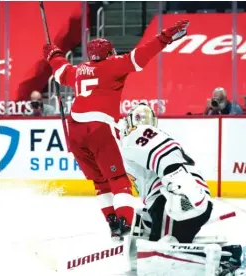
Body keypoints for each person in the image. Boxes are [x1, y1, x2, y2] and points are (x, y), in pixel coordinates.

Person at [42, 20, 190, 238]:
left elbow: (60, 69)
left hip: (74, 130)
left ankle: (113, 224)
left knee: (100, 182)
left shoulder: (77, 71)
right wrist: (165, 37)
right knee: (118, 178)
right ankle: (127, 224)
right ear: (109, 52)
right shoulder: (113, 65)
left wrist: (52, 53)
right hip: (100, 128)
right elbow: (141, 55)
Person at [119, 103, 246, 275]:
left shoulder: (136, 137)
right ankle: (228, 253)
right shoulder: (141, 144)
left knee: (158, 258)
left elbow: (164, 155)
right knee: (163, 248)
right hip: (184, 200)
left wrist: (180, 185)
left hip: (173, 203)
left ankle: (224, 258)